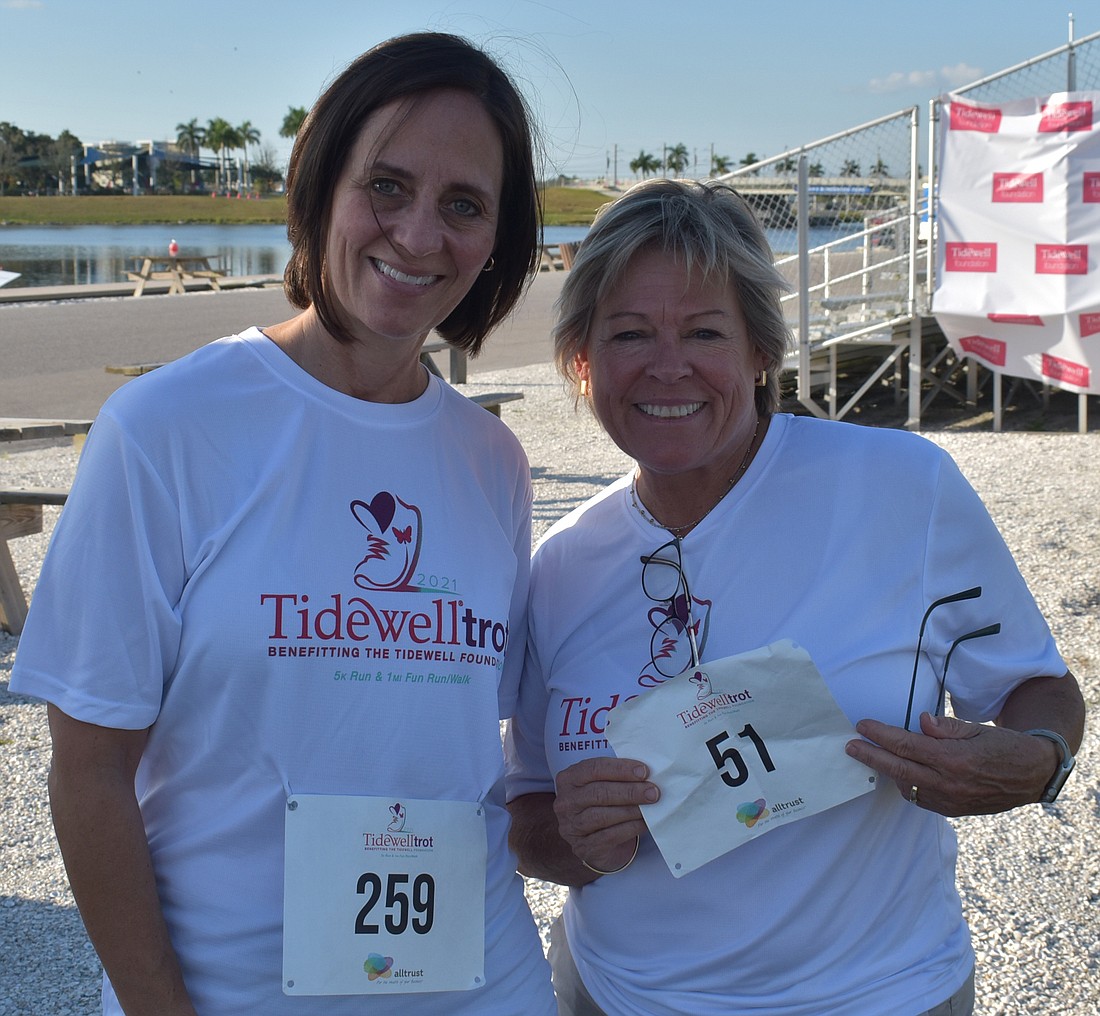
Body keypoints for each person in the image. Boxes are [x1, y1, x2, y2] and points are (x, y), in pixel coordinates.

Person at [12, 32, 556, 1015]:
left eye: (464, 205)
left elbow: (486, 743)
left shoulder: (492, 460)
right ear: (318, 185)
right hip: (237, 989)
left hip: (479, 982)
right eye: (385, 187)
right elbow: (88, 772)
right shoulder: (168, 427)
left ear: (497, 239)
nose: (420, 233)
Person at [505, 178, 1085, 1015]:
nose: (668, 367)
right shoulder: (558, 568)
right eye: (629, 333)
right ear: (582, 359)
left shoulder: (901, 488)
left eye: (705, 331)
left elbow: (1040, 686)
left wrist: (1038, 762)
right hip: (623, 997)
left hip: (885, 995)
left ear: (760, 352)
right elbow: (528, 815)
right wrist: (580, 839)